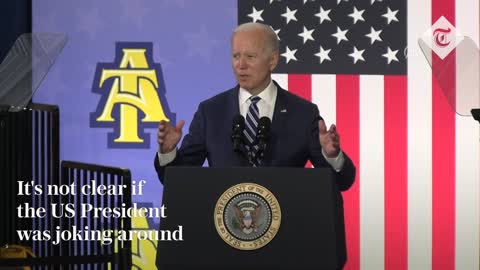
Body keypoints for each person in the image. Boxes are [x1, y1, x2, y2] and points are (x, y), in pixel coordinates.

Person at [154, 22, 355, 191]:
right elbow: (176, 181)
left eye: (250, 57)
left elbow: (342, 182)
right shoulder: (211, 112)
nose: (241, 65)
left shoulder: (303, 113)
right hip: (223, 229)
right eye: (236, 56)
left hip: (286, 228)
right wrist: (169, 152)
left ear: (273, 60)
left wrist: (332, 156)